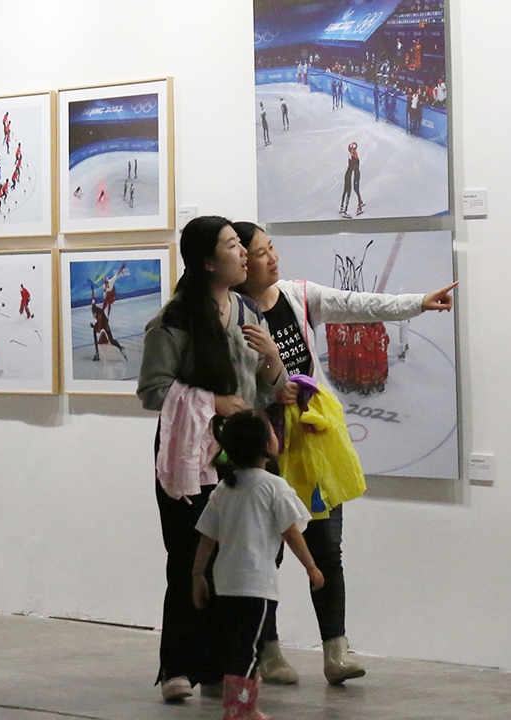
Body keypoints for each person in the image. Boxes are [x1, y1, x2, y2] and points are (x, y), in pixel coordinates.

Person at [231, 221, 456, 685]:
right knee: (267, 551)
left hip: (314, 439)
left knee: (327, 548)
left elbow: (358, 305)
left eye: (273, 248)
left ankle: (336, 650)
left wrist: (419, 302)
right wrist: (270, 390)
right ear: (241, 263)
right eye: (261, 252)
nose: (273, 257)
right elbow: (236, 383)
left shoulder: (296, 295)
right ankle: (267, 650)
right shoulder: (233, 315)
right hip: (264, 445)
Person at [137, 216, 286, 703]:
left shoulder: (247, 310)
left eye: (242, 245)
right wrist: (213, 403)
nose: (243, 253)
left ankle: (221, 665)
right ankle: (177, 665)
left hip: (237, 456)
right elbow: (153, 389)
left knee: (232, 560)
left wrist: (272, 360)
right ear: (206, 261)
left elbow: (267, 388)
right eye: (231, 245)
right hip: (188, 455)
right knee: (189, 558)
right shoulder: (176, 318)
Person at [192, 409, 320, 720]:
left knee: (240, 647)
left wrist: (197, 574)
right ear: (265, 445)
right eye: (272, 432)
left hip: (225, 585)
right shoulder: (274, 486)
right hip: (256, 586)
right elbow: (292, 532)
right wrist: (311, 567)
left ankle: (245, 708)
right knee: (250, 651)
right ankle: (237, 709)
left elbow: (207, 537)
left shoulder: (224, 488)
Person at [340, 142, 364, 217]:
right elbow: (353, 167)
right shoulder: (352, 156)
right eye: (351, 149)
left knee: (355, 190)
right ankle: (344, 209)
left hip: (353, 175)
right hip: (349, 176)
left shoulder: (355, 155)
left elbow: (355, 167)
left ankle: (359, 204)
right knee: (347, 191)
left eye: (354, 149)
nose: (353, 151)